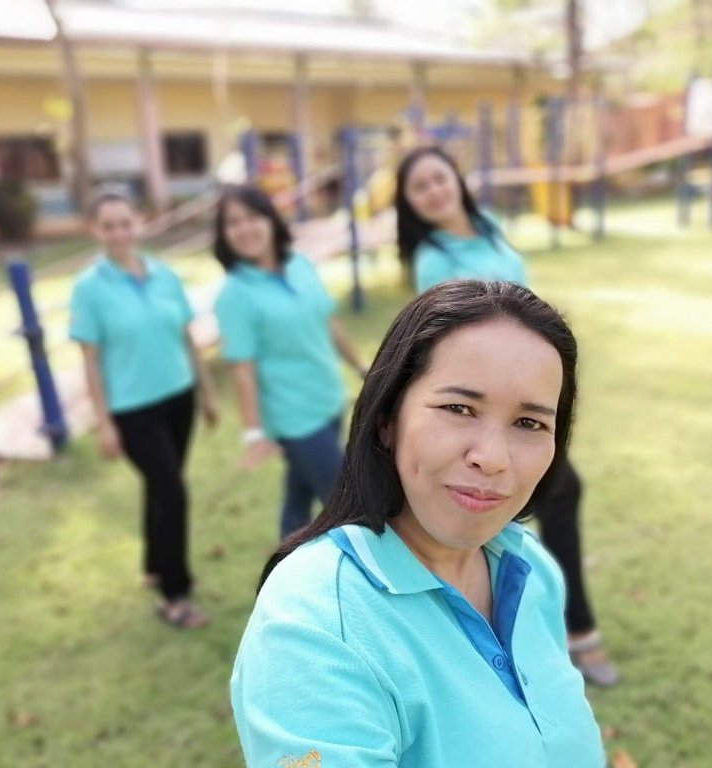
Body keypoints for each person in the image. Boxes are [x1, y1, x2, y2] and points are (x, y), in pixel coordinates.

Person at [231, 280, 605, 767]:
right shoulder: (314, 626)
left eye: (529, 423)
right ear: (387, 418)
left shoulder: (529, 565)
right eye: (458, 408)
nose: (493, 458)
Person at [394, 145, 620, 687]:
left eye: (438, 178)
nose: (433, 192)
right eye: (419, 187)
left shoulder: (489, 227)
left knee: (542, 496)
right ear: (409, 203)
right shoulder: (433, 259)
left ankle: (550, 622)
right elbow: (441, 342)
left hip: (523, 391)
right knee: (538, 496)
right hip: (483, 402)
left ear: (457, 179)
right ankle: (574, 630)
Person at [70, 188, 218, 629]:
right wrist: (104, 424)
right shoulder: (88, 288)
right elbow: (90, 362)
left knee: (161, 486)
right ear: (94, 230)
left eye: (125, 222)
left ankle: (155, 564)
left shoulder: (164, 274)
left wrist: (207, 391)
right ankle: (175, 595)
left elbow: (187, 336)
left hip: (179, 397)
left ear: (138, 222)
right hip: (132, 410)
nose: (119, 232)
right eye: (108, 225)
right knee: (172, 492)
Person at [212, 184, 367, 539]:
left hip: (328, 399)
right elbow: (242, 369)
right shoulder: (235, 294)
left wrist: (360, 367)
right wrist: (253, 433)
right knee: (347, 505)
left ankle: (284, 560)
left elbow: (328, 322)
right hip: (294, 417)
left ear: (270, 219)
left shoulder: (299, 264)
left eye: (252, 217)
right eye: (233, 222)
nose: (245, 228)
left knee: (299, 494)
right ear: (223, 234)